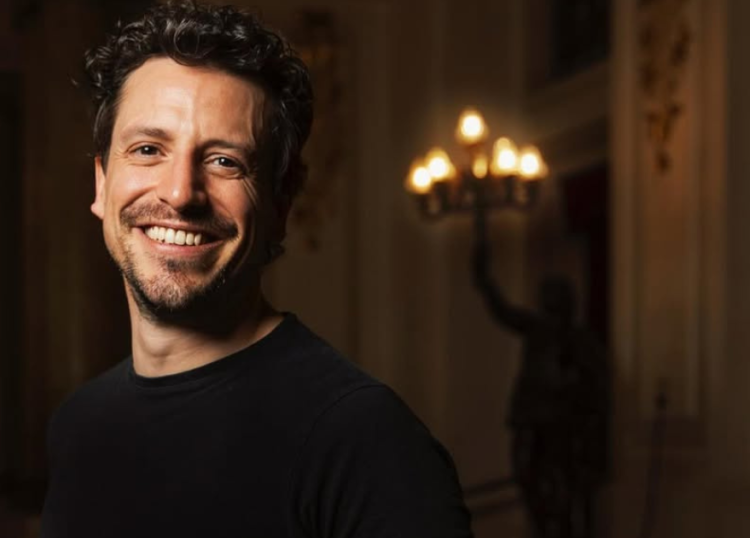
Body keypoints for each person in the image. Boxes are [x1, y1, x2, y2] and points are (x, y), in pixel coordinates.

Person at [40, 2, 473, 537]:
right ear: (102, 183)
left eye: (225, 161)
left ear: (280, 203)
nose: (180, 193)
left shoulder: (363, 440)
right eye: (148, 149)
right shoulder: (78, 426)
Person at [472, 203, 609, 538]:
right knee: (526, 475)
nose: (547, 302)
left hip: (561, 425)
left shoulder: (580, 340)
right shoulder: (536, 330)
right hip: (531, 417)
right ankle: (543, 525)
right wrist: (484, 280)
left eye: (553, 296)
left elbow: (594, 387)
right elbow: (502, 310)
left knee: (563, 491)